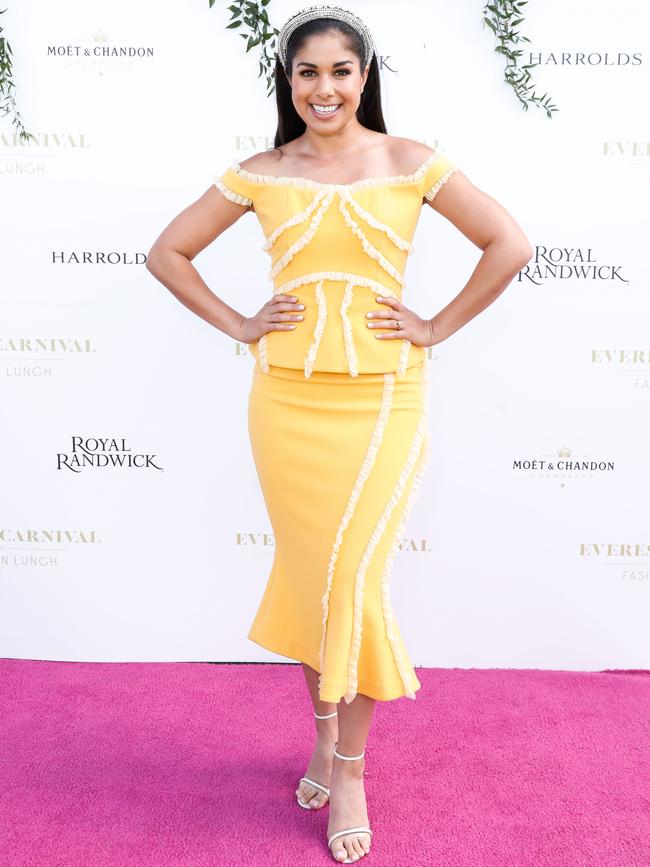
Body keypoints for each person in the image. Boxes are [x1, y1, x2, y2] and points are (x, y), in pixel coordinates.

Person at [145, 4, 532, 862]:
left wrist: (436, 324)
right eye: (307, 73)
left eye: (340, 71)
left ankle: (348, 769)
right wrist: (241, 323)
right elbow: (167, 251)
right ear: (289, 84)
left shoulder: (411, 162)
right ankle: (324, 736)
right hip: (284, 404)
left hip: (382, 403)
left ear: (365, 78)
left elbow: (508, 242)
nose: (325, 88)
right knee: (318, 579)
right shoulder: (259, 172)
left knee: (353, 581)